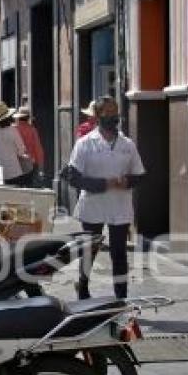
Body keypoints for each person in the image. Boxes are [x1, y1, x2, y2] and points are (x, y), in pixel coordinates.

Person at [61, 96, 146, 300]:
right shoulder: (84, 144)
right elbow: (73, 177)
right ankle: (82, 288)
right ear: (98, 116)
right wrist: (103, 184)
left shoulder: (127, 144)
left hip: (120, 206)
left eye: (115, 111)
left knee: (119, 253)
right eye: (108, 112)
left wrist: (127, 181)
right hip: (93, 205)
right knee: (90, 250)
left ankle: (121, 297)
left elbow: (140, 175)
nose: (113, 116)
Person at [13, 106, 45, 185]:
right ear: (28, 118)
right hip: (30, 163)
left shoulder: (13, 129)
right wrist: (41, 165)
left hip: (16, 162)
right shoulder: (32, 130)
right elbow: (37, 148)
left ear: (18, 118)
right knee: (28, 186)